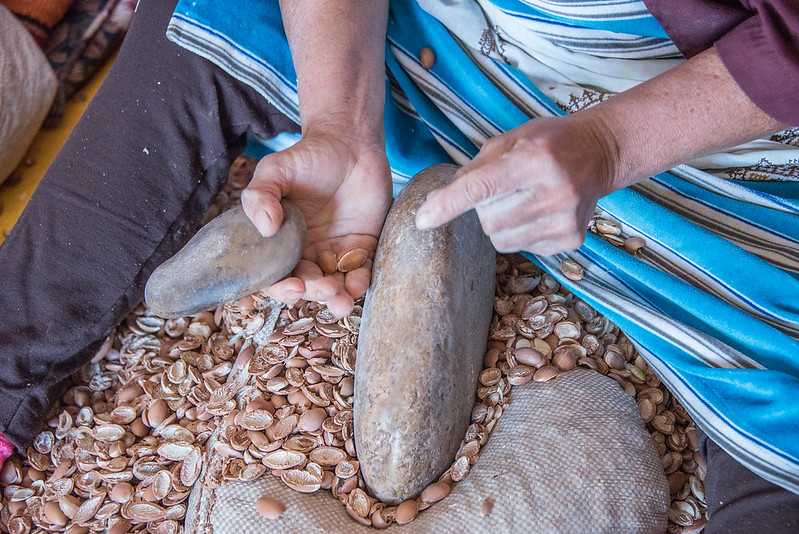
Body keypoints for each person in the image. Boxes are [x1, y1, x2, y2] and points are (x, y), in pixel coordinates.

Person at [0, 0, 797, 530]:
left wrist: (611, 144)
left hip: (721, 134)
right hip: (448, 49)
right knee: (197, 19)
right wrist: (338, 118)